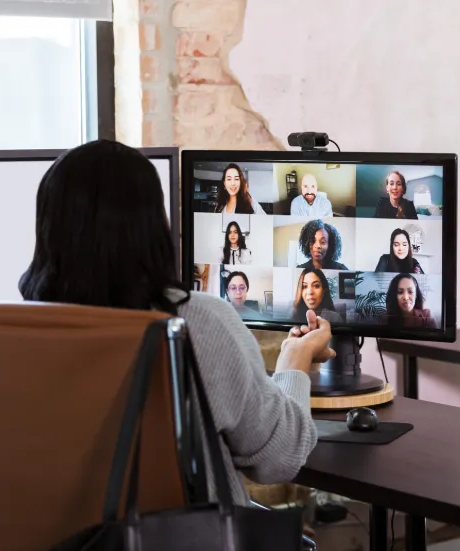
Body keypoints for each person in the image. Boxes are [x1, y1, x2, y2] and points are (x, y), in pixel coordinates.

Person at [18, 139, 330, 506]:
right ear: (152, 227)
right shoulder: (198, 322)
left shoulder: (19, 335)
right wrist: (295, 360)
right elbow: (278, 460)